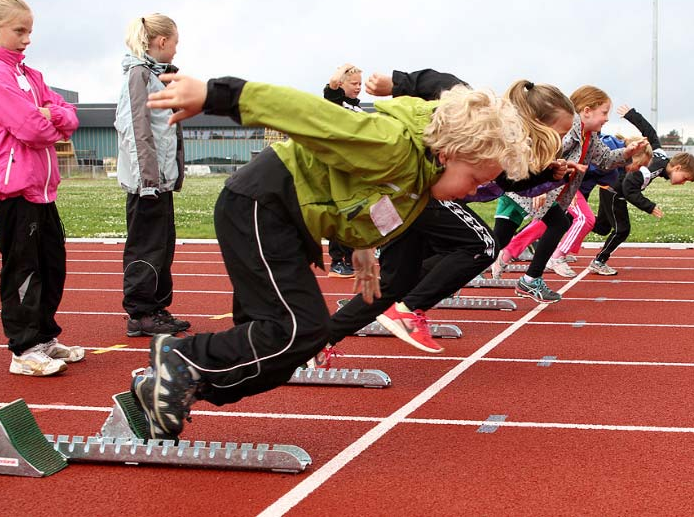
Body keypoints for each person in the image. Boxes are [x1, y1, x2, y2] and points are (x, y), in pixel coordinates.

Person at [128, 72, 532, 439]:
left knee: (288, 349)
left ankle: (177, 385)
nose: (473, 192)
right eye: (475, 179)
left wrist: (362, 247)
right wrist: (215, 95)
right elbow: (305, 113)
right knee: (297, 329)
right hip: (261, 202)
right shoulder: (390, 143)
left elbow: (360, 190)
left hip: (284, 218)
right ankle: (180, 358)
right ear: (448, 152)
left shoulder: (420, 176)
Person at [326, 72, 571, 355]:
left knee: (396, 283)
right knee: (483, 244)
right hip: (418, 189)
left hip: (407, 201)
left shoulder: (510, 144)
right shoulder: (485, 113)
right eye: (560, 132)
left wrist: (549, 174)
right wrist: (397, 83)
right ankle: (409, 309)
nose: (562, 139)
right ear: (538, 121)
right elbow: (441, 82)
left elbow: (507, 182)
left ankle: (320, 343)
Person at [0, 0, 84, 376]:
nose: (27, 38)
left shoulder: (30, 75)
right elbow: (32, 129)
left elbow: (69, 116)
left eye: (29, 31)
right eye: (19, 31)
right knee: (24, 269)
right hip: (13, 188)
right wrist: (49, 119)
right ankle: (23, 348)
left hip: (41, 187)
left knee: (51, 264)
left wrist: (51, 114)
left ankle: (44, 337)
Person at [492, 85, 647, 302]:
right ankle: (451, 269)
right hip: (523, 192)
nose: (607, 119)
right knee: (496, 240)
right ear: (586, 111)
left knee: (556, 223)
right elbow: (541, 151)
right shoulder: (566, 129)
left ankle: (527, 279)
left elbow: (604, 160)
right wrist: (538, 185)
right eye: (604, 112)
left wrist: (627, 153)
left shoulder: (589, 136)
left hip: (546, 193)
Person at [115, 14, 190, 337]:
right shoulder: (138, 76)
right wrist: (147, 180)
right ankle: (141, 313)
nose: (176, 50)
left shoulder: (158, 76)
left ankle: (157, 307)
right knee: (146, 247)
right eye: (174, 43)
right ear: (161, 42)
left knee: (162, 246)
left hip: (160, 183)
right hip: (147, 185)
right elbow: (136, 128)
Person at [589, 104, 694, 275]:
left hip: (609, 188)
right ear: (677, 168)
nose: (682, 183)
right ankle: (598, 261)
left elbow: (651, 133)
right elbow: (629, 188)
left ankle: (569, 222)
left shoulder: (661, 156)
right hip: (614, 192)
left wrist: (632, 115)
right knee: (622, 230)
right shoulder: (653, 169)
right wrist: (648, 206)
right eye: (684, 178)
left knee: (602, 227)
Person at [323, 63, 364, 277]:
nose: (358, 87)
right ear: (342, 83)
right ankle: (337, 262)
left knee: (355, 213)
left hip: (355, 167)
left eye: (360, 83)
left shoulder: (357, 108)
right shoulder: (335, 103)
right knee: (340, 214)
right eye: (354, 83)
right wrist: (342, 69)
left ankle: (350, 259)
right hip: (338, 167)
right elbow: (331, 87)